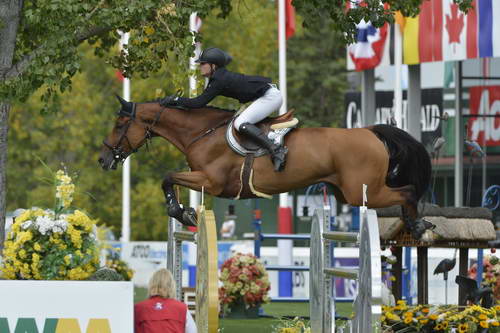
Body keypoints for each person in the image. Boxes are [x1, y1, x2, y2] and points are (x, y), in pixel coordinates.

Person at [160, 47, 288, 172]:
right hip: (265, 95)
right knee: (238, 121)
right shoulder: (218, 77)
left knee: (240, 124)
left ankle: (276, 149)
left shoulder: (219, 80)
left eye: (203, 63)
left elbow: (198, 103)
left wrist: (175, 100)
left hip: (270, 97)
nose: (200, 66)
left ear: (213, 66)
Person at [134, 268, 197, 333]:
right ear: (171, 286)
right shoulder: (182, 308)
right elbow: (193, 331)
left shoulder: (138, 308)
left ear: (151, 284)